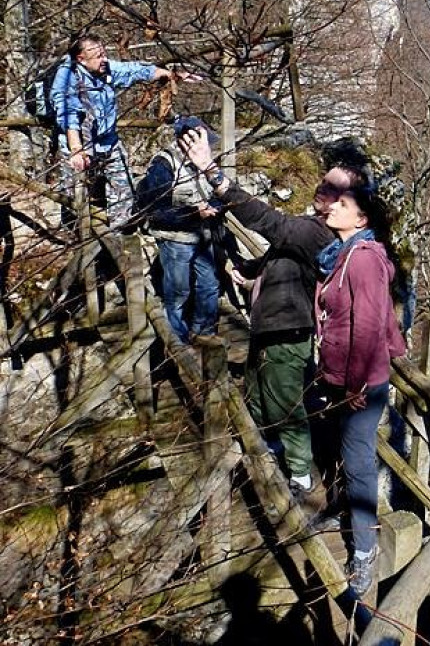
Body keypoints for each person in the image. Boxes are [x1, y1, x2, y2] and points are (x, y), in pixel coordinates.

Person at [178, 126, 336, 501]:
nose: (321, 191)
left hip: (289, 329)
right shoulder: (306, 229)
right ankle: (272, 450)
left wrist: (213, 175)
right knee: (258, 394)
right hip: (270, 325)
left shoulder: (318, 233)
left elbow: (267, 222)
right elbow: (275, 256)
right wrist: (247, 271)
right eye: (322, 185)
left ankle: (300, 476)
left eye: (332, 192)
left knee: (286, 401)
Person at [310, 160, 406, 597]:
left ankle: (364, 552)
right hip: (339, 376)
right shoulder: (342, 254)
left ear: (361, 218)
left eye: (342, 203)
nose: (331, 207)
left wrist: (356, 387)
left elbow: (367, 327)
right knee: (336, 448)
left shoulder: (363, 260)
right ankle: (340, 507)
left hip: (359, 385)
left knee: (361, 462)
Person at [51, 33, 201, 230]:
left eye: (104, 54)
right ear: (81, 59)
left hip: (108, 141)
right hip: (78, 143)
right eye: (99, 56)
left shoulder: (105, 68)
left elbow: (134, 70)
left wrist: (169, 74)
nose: (104, 59)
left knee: (124, 189)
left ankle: (119, 235)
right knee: (75, 196)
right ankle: (75, 234)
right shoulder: (67, 77)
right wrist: (77, 149)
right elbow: (69, 116)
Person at [138, 117, 222, 343]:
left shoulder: (205, 161)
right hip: (175, 240)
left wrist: (215, 207)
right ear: (187, 141)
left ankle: (204, 333)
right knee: (178, 293)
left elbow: (218, 194)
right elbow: (155, 213)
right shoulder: (163, 167)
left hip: (203, 236)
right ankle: (177, 342)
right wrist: (195, 213)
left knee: (210, 285)